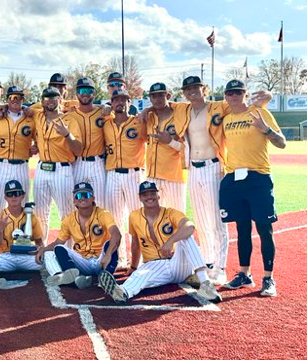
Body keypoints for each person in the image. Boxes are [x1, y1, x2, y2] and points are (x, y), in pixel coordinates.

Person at [167, 76, 272, 284]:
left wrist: (267, 96)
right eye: (187, 89)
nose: (191, 92)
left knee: (216, 219)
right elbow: (160, 103)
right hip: (194, 169)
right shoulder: (183, 110)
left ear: (204, 89)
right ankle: (208, 262)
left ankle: (221, 266)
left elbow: (243, 103)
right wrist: (144, 111)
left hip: (213, 166)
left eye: (195, 88)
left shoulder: (220, 106)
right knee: (201, 218)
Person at [98, 181, 222, 304]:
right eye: (145, 194)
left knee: (186, 238)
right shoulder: (134, 216)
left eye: (152, 193)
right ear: (140, 197)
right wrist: (133, 267)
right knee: (139, 275)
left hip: (177, 263)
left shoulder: (170, 212)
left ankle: (205, 283)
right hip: (154, 265)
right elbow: (135, 244)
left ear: (158, 195)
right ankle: (122, 292)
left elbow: (189, 227)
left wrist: (171, 241)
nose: (149, 197)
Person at [219, 79, 285, 297]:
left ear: (245, 94)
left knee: (265, 228)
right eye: (230, 93)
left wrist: (265, 130)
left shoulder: (260, 113)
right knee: (242, 228)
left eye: (238, 92)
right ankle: (244, 274)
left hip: (258, 178)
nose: (234, 96)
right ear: (226, 96)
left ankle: (268, 277)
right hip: (235, 180)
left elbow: (281, 142)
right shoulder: (226, 118)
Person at [38, 182, 121, 288]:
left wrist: (108, 254)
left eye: (86, 195)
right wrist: (43, 249)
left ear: (93, 198)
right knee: (57, 248)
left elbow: (116, 234)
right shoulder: (69, 219)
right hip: (82, 262)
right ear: (74, 201)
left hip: (101, 261)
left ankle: (106, 278)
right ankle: (73, 276)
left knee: (111, 243)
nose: (82, 198)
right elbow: (59, 242)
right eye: (78, 196)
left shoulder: (103, 214)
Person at [102, 89, 147, 269]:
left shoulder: (139, 122)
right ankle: (119, 259)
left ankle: (140, 260)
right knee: (115, 219)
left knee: (137, 218)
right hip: (112, 174)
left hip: (134, 174)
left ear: (130, 103)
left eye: (124, 100)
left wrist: (147, 111)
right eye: (116, 100)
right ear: (111, 103)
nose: (120, 103)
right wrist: (103, 108)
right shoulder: (106, 123)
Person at [0, 180, 50, 289]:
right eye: (10, 194)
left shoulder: (31, 216)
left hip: (27, 258)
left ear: (22, 196)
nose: (13, 197)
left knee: (50, 255)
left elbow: (39, 241)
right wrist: (0, 230)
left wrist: (40, 250)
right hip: (7, 257)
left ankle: (58, 276)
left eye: (16, 193)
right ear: (5, 197)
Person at [32, 86, 82, 242]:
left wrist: (67, 135)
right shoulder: (37, 116)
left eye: (54, 97)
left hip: (62, 169)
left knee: (67, 213)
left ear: (60, 100)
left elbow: (78, 149)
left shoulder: (70, 119)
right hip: (41, 168)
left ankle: (67, 252)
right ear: (42, 101)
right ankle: (42, 252)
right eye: (47, 98)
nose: (51, 101)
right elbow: (19, 108)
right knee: (40, 213)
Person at [0, 86, 36, 218]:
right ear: (7, 99)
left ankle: (22, 238)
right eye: (11, 97)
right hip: (2, 166)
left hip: (22, 166)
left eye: (18, 97)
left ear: (23, 99)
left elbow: (40, 139)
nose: (15, 100)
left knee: (23, 207)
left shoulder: (31, 118)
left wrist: (36, 146)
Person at [144, 82, 187, 212]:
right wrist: (147, 110)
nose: (157, 99)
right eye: (154, 96)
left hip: (174, 177)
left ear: (168, 95)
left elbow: (187, 148)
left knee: (178, 217)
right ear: (150, 98)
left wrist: (170, 141)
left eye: (160, 95)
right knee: (154, 218)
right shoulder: (149, 117)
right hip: (152, 176)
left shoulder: (178, 116)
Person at [64, 78, 107, 199]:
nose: (85, 93)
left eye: (89, 90)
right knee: (77, 202)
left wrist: (106, 106)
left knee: (100, 202)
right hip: (77, 162)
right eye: (82, 90)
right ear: (77, 93)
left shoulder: (103, 113)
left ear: (94, 93)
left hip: (98, 163)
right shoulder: (69, 115)